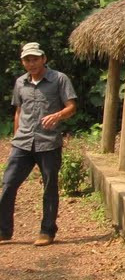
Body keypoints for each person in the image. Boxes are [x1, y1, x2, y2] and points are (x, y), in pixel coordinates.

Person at [1, 42, 77, 246]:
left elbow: (71, 106)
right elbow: (19, 110)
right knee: (8, 183)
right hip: (23, 143)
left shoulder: (59, 79)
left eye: (35, 59)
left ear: (43, 59)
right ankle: (4, 230)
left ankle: (47, 231)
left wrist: (58, 115)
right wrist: (16, 137)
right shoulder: (20, 83)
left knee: (49, 187)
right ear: (22, 62)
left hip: (49, 143)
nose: (31, 63)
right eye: (27, 60)